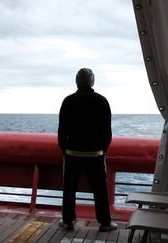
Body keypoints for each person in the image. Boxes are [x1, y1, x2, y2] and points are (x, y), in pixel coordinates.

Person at [57, 68, 118, 232]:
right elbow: (107, 132)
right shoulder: (102, 101)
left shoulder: (68, 101)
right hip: (95, 154)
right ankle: (105, 223)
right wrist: (103, 150)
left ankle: (68, 220)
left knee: (69, 190)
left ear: (77, 82)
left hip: (72, 154)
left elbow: (62, 131)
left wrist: (64, 149)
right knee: (100, 191)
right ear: (92, 81)